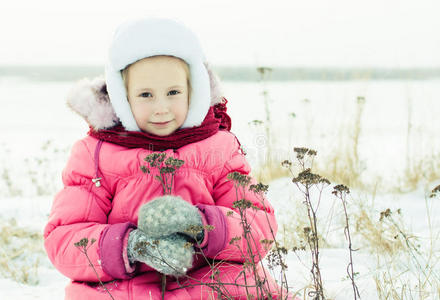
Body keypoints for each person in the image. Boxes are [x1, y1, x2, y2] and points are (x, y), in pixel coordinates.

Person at [44, 16, 283, 299]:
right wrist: (133, 246)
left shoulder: (220, 148)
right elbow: (65, 238)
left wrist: (202, 225)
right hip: (125, 290)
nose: (161, 108)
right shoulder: (95, 154)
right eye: (145, 95)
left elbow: (258, 226)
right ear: (123, 97)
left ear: (193, 91)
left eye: (173, 92)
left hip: (209, 286)